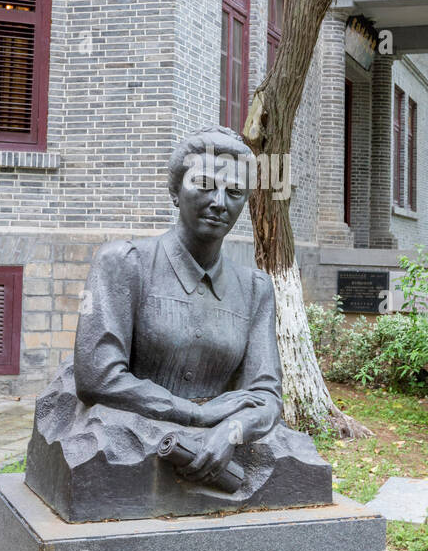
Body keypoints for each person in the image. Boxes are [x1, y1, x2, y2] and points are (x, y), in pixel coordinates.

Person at [24, 125, 333, 521]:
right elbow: (97, 377)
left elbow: (266, 395)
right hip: (134, 428)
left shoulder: (256, 288)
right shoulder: (123, 264)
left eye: (235, 193)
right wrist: (196, 416)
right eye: (204, 185)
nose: (219, 202)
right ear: (175, 191)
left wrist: (230, 431)